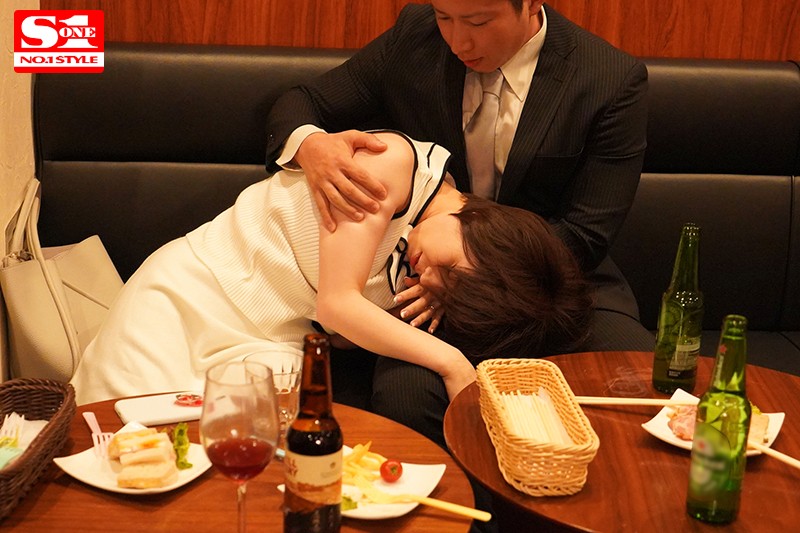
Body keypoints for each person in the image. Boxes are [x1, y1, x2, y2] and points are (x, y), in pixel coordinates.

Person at [264, 0, 654, 445]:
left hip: (552, 274)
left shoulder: (608, 78)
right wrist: (311, 146)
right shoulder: (417, 35)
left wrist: (473, 273)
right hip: (423, 277)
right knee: (407, 399)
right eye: (444, 18)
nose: (458, 41)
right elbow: (304, 102)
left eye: (478, 21)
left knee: (643, 376)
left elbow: (585, 233)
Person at [70, 131, 591, 406]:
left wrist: (411, 309)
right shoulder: (390, 166)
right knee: (115, 433)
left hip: (272, 336)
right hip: (193, 293)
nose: (431, 280)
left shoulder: (424, 272)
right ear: (483, 228)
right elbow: (337, 305)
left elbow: (336, 334)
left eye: (448, 291)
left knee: (233, 460)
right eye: (450, 271)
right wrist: (453, 364)